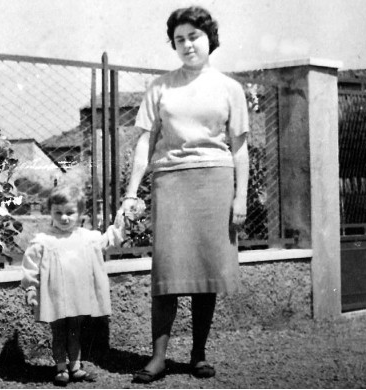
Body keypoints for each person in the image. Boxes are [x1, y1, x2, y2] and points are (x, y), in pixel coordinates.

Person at [121, 6, 249, 383]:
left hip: (215, 181)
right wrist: (131, 194)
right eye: (179, 39)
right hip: (170, 182)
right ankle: (158, 358)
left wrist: (240, 198)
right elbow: (145, 142)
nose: (187, 44)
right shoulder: (160, 86)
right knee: (167, 272)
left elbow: (239, 147)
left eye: (193, 36)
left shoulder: (230, 88)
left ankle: (198, 355)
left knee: (205, 273)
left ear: (210, 39)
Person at [21, 184, 125, 386]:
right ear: (50, 212)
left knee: (75, 331)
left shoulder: (87, 238)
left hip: (77, 295)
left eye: (70, 213)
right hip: (54, 296)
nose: (64, 218)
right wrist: (31, 288)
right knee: (58, 332)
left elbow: (108, 241)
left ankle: (75, 366)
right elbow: (30, 265)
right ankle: (61, 368)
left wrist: (120, 223)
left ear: (80, 213)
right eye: (58, 213)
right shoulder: (44, 241)